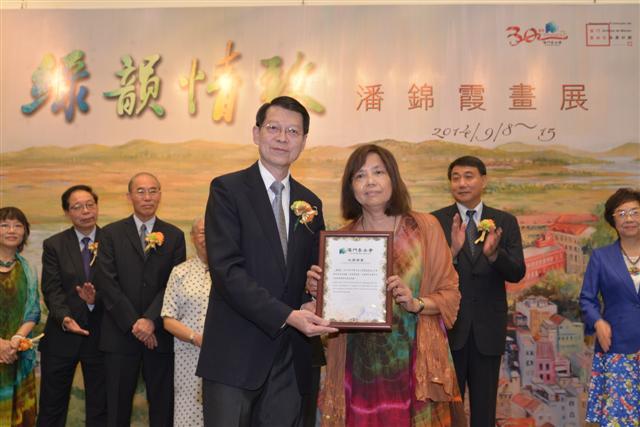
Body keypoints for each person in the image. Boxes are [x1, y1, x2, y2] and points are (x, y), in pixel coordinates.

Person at [196, 96, 337, 427]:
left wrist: (315, 292)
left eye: (293, 131)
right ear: (256, 133)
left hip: (291, 357)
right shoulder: (227, 190)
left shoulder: (310, 202)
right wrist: (287, 315)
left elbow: (315, 270)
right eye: (274, 128)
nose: (282, 138)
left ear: (304, 141)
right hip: (235, 354)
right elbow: (226, 271)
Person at [309, 144, 465, 427]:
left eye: (378, 172)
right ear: (351, 188)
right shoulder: (341, 240)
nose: (370, 181)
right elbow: (332, 311)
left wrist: (416, 303)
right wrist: (319, 290)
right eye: (360, 175)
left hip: (416, 365)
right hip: (359, 370)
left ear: (393, 178)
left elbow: (450, 294)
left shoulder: (425, 228)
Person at [431, 156, 525, 427]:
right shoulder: (435, 221)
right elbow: (428, 275)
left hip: (488, 329)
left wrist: (495, 256)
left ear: (483, 180)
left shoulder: (505, 221)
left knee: (485, 410)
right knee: (448, 412)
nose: (462, 183)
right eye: (456, 177)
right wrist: (452, 252)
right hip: (449, 328)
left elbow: (517, 272)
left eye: (468, 176)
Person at [95, 172, 186, 427]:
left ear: (160, 195)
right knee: (117, 410)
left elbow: (172, 284)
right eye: (141, 191)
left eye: (153, 191)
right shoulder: (110, 234)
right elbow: (107, 283)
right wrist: (135, 323)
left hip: (159, 337)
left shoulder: (174, 235)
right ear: (129, 197)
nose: (148, 197)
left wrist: (150, 321)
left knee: (162, 408)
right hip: (119, 335)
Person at [37, 185, 107, 427]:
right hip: (62, 336)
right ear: (67, 213)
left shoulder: (113, 241)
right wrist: (65, 318)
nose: (85, 211)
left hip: (101, 336)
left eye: (90, 205)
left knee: (101, 407)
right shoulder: (54, 244)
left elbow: (118, 287)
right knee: (51, 407)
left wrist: (94, 301)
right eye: (77, 207)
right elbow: (51, 289)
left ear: (97, 207)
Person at [579, 187, 640, 426]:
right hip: (617, 348)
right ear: (612, 220)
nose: (629, 218)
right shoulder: (601, 257)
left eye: (634, 212)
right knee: (619, 420)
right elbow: (587, 299)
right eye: (621, 213)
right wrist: (597, 321)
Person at [161, 217, 211, 427]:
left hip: (225, 358)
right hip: (188, 357)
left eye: (212, 231)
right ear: (192, 237)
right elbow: (168, 319)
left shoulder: (232, 272)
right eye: (202, 232)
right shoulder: (180, 272)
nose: (207, 237)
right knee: (188, 414)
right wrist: (195, 338)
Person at [0, 207, 40, 427]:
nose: (11, 230)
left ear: (25, 232)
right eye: (4, 225)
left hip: (17, 355)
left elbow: (33, 311)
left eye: (18, 225)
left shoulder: (28, 269)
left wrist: (15, 341)